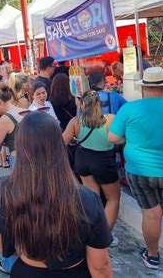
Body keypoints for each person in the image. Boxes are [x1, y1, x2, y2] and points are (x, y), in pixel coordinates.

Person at [0, 111, 113, 277]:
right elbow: (100, 265)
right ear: (58, 144)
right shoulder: (86, 198)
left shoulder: (2, 190)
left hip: (26, 270)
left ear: (20, 146)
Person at [108, 67, 163, 276]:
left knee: (151, 213)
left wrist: (131, 139)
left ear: (143, 86)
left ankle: (152, 256)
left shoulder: (129, 109)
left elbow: (113, 138)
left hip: (139, 171)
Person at [63, 90, 121, 247]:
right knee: (113, 198)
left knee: (93, 198)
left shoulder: (75, 122)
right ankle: (104, 236)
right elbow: (120, 139)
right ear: (100, 104)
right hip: (103, 161)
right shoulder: (109, 119)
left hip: (83, 160)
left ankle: (91, 231)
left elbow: (62, 143)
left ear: (82, 104)